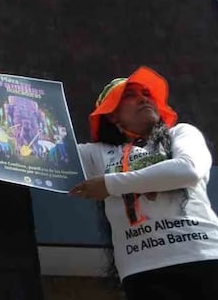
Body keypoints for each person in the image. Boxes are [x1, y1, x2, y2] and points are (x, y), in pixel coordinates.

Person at [70, 66, 218, 300]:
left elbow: (188, 170)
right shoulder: (95, 154)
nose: (142, 98)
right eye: (130, 95)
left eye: (146, 94)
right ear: (112, 115)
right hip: (142, 273)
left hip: (205, 258)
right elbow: (28, 153)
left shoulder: (180, 134)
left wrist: (110, 185)